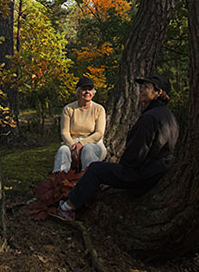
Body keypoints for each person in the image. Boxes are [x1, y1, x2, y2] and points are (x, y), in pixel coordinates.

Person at [55, 73, 179, 221]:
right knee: (74, 155)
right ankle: (60, 184)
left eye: (146, 87)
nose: (140, 90)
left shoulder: (149, 118)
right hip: (156, 171)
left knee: (95, 169)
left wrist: (121, 168)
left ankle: (67, 207)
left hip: (142, 175)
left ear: (159, 92)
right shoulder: (169, 116)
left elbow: (134, 156)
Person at [53, 76, 107, 173]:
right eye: (84, 89)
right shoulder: (69, 109)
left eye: (90, 89)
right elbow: (64, 132)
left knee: (88, 149)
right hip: (73, 142)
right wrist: (73, 146)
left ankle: (89, 178)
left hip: (93, 143)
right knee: (63, 150)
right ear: (78, 92)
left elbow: (99, 133)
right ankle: (59, 179)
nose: (87, 92)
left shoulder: (99, 109)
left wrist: (82, 144)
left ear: (93, 92)